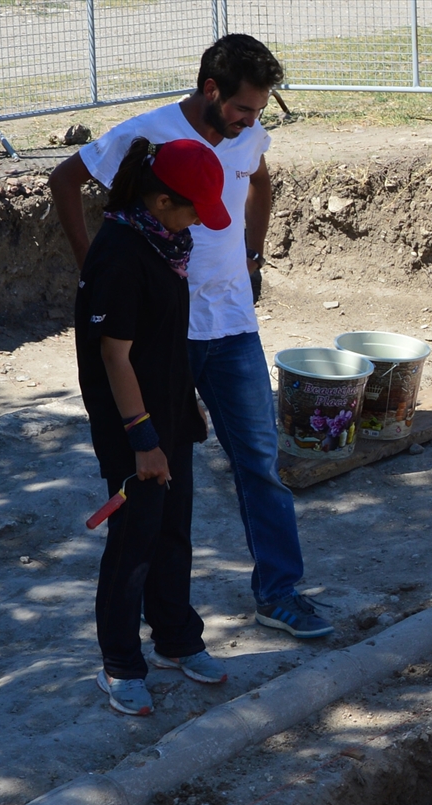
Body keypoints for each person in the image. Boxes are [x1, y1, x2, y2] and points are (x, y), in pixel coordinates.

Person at [50, 34, 332, 639]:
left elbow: (260, 182)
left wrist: (253, 256)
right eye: (243, 109)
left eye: (258, 111)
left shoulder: (248, 136)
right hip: (164, 338)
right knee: (161, 481)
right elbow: (64, 180)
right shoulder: (147, 136)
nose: (251, 121)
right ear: (212, 89)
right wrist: (92, 270)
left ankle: (278, 593)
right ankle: (154, 629)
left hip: (232, 327)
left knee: (260, 462)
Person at [76, 137, 231, 715]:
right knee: (133, 542)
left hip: (169, 414)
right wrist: (143, 442)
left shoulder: (168, 242)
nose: (198, 222)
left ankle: (176, 639)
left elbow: (162, 339)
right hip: (131, 427)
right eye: (192, 208)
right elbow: (116, 358)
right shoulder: (120, 252)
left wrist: (186, 400)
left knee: (173, 532)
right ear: (162, 200)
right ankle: (119, 664)